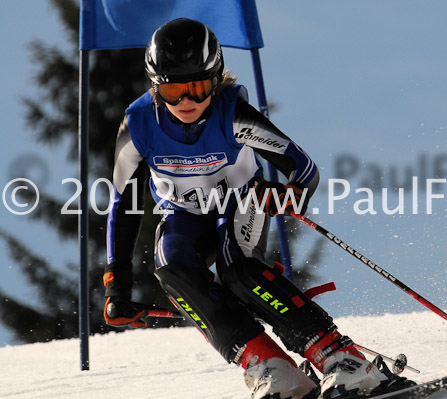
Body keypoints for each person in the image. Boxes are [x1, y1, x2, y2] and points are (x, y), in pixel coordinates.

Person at [102, 18, 412, 399]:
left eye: (197, 87)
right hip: (182, 215)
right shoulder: (138, 126)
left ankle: (343, 359)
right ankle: (273, 369)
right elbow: (124, 205)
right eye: (174, 90)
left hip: (241, 203)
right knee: (171, 265)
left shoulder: (232, 114)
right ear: (155, 87)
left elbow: (304, 169)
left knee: (238, 270)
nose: (187, 101)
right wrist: (117, 284)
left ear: (215, 80)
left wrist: (286, 195)